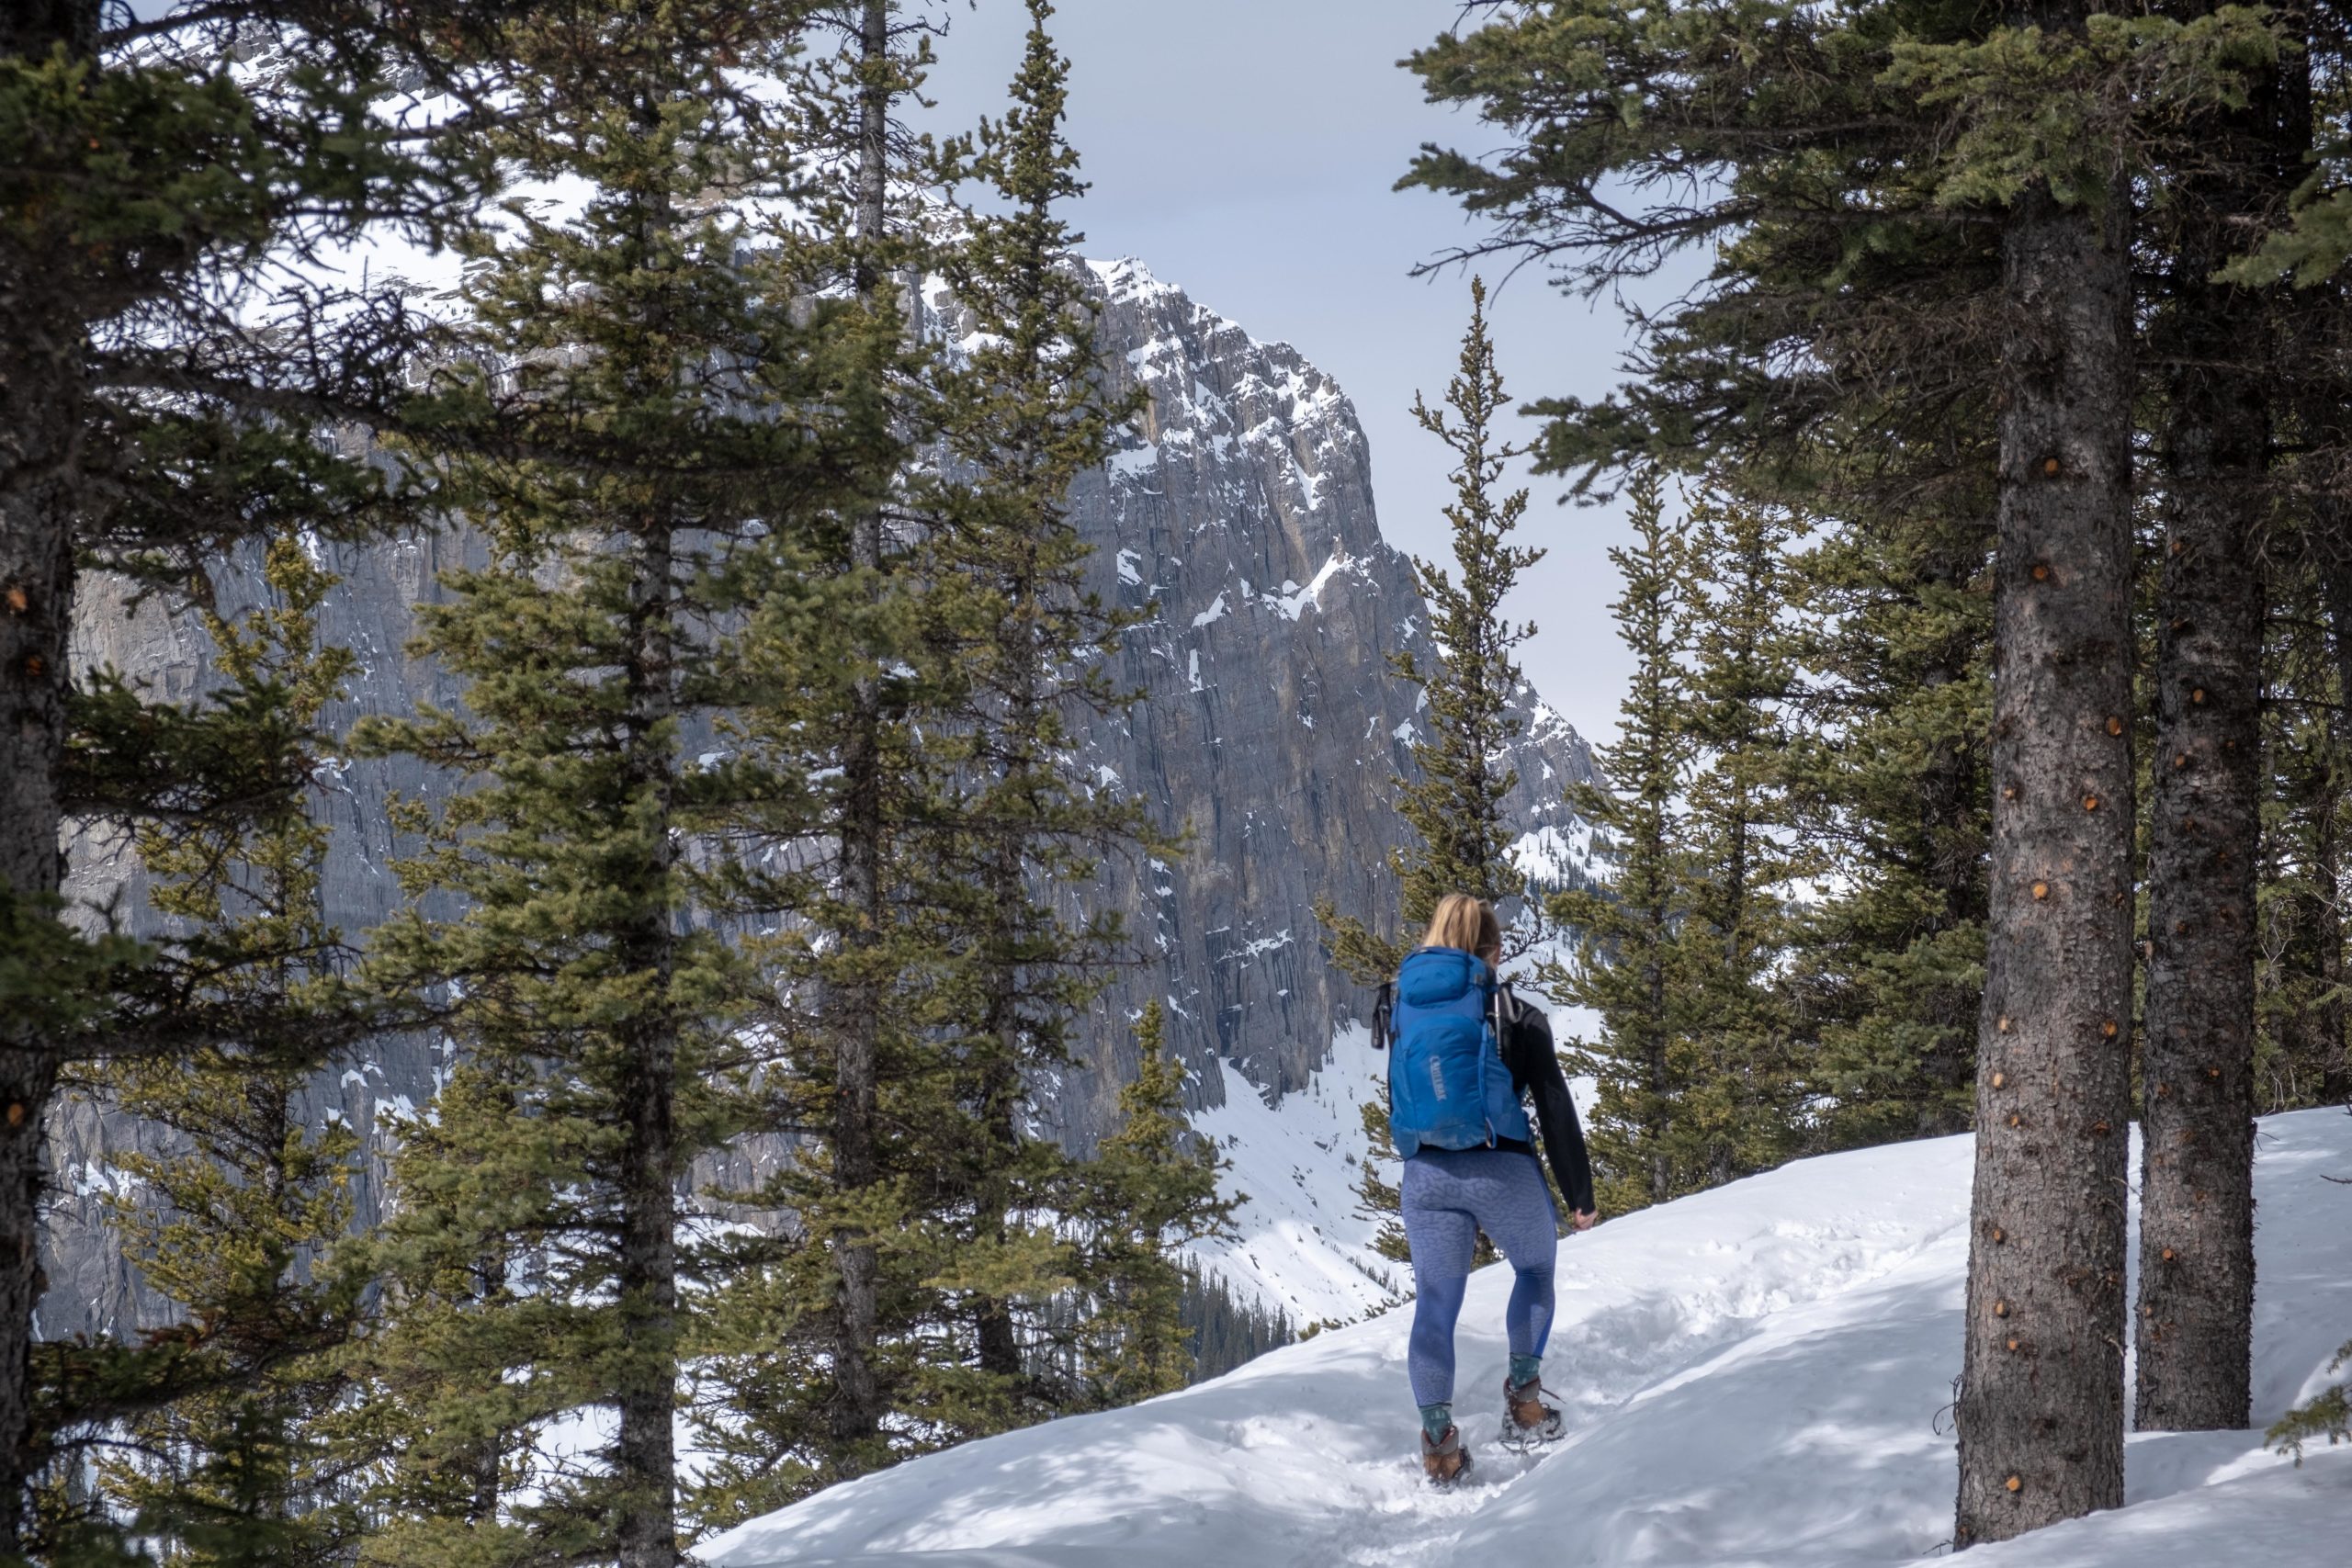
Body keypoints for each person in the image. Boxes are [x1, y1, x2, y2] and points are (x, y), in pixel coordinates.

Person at [1375, 892, 1597, 1486]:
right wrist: (1580, 1193)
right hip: (1500, 1168)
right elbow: (1554, 1107)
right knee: (1534, 1269)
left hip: (1426, 1177)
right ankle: (1525, 1403)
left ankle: (1439, 1444)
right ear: (1492, 952)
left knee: (1435, 1307)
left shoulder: (1405, 1010)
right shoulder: (1515, 1014)